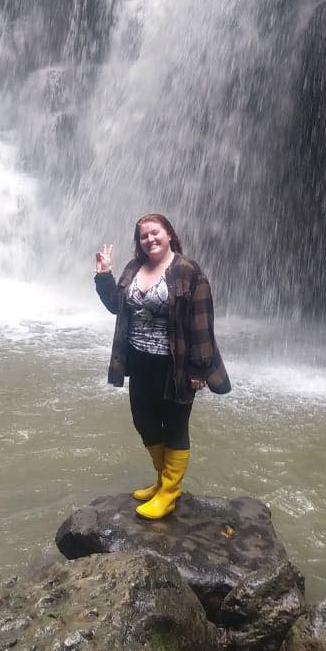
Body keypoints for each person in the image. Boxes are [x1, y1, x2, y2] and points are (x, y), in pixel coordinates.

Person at [94, 214, 231, 519]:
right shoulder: (134, 268)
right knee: (144, 422)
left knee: (175, 427)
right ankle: (161, 480)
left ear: (168, 234)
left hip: (177, 364)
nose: (150, 240)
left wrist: (199, 370)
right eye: (144, 236)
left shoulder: (188, 271)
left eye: (155, 233)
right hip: (139, 360)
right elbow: (118, 306)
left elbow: (202, 324)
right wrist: (104, 276)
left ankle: (169, 492)